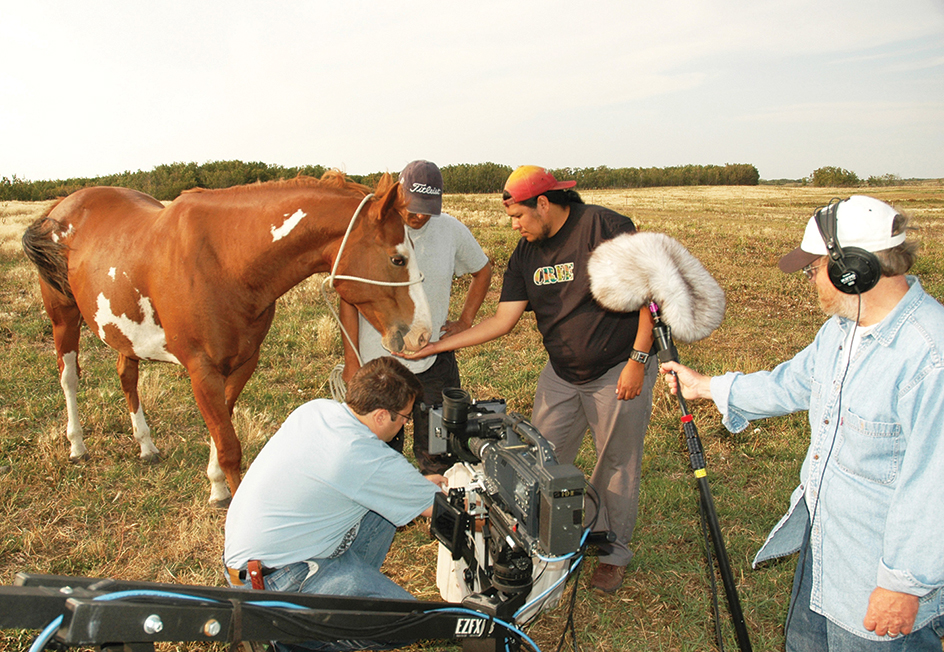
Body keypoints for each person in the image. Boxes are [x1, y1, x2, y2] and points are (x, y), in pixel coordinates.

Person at [661, 196, 944, 650]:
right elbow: (791, 383)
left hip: (881, 580)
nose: (809, 280)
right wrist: (707, 387)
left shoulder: (930, 358)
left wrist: (903, 585)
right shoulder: (842, 329)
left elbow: (934, 489)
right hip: (828, 549)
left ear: (852, 269)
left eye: (813, 268)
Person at [401, 165, 656, 594]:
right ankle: (545, 542)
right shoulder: (526, 255)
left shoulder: (602, 227)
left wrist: (638, 359)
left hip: (617, 368)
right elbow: (503, 320)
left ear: (543, 203)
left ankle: (613, 551)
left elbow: (650, 293)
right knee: (537, 457)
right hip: (561, 373)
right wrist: (437, 347)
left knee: (616, 462)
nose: (515, 226)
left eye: (518, 216)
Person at [223, 357, 445, 650]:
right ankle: (294, 639)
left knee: (386, 507)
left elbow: (373, 480)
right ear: (381, 416)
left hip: (248, 565)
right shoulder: (363, 457)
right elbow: (446, 508)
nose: (405, 423)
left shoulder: (316, 410)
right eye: (405, 416)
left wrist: (415, 489)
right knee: (408, 621)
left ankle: (342, 597)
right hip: (278, 582)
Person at [339, 160, 492, 474]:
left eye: (427, 208)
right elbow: (349, 299)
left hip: (432, 356)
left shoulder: (451, 230)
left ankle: (435, 490)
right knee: (375, 442)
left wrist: (465, 321)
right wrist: (352, 360)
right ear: (398, 197)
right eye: (411, 207)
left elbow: (483, 270)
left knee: (439, 439)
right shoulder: (374, 232)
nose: (419, 215)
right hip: (379, 362)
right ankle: (382, 492)